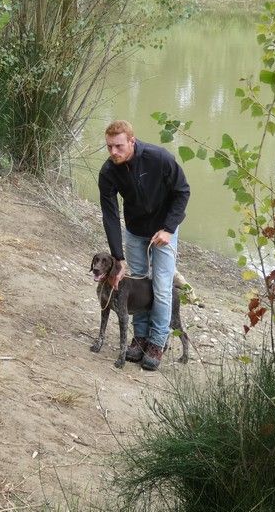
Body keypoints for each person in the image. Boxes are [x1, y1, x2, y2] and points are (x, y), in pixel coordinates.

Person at [98, 120, 190, 371]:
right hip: (136, 231)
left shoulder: (159, 158)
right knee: (136, 282)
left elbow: (182, 192)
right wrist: (118, 257)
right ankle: (140, 338)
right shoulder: (108, 172)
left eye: (118, 146)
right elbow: (109, 215)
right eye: (109, 147)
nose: (113, 152)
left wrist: (169, 229)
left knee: (161, 287)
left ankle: (157, 342)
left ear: (132, 141)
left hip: (164, 230)